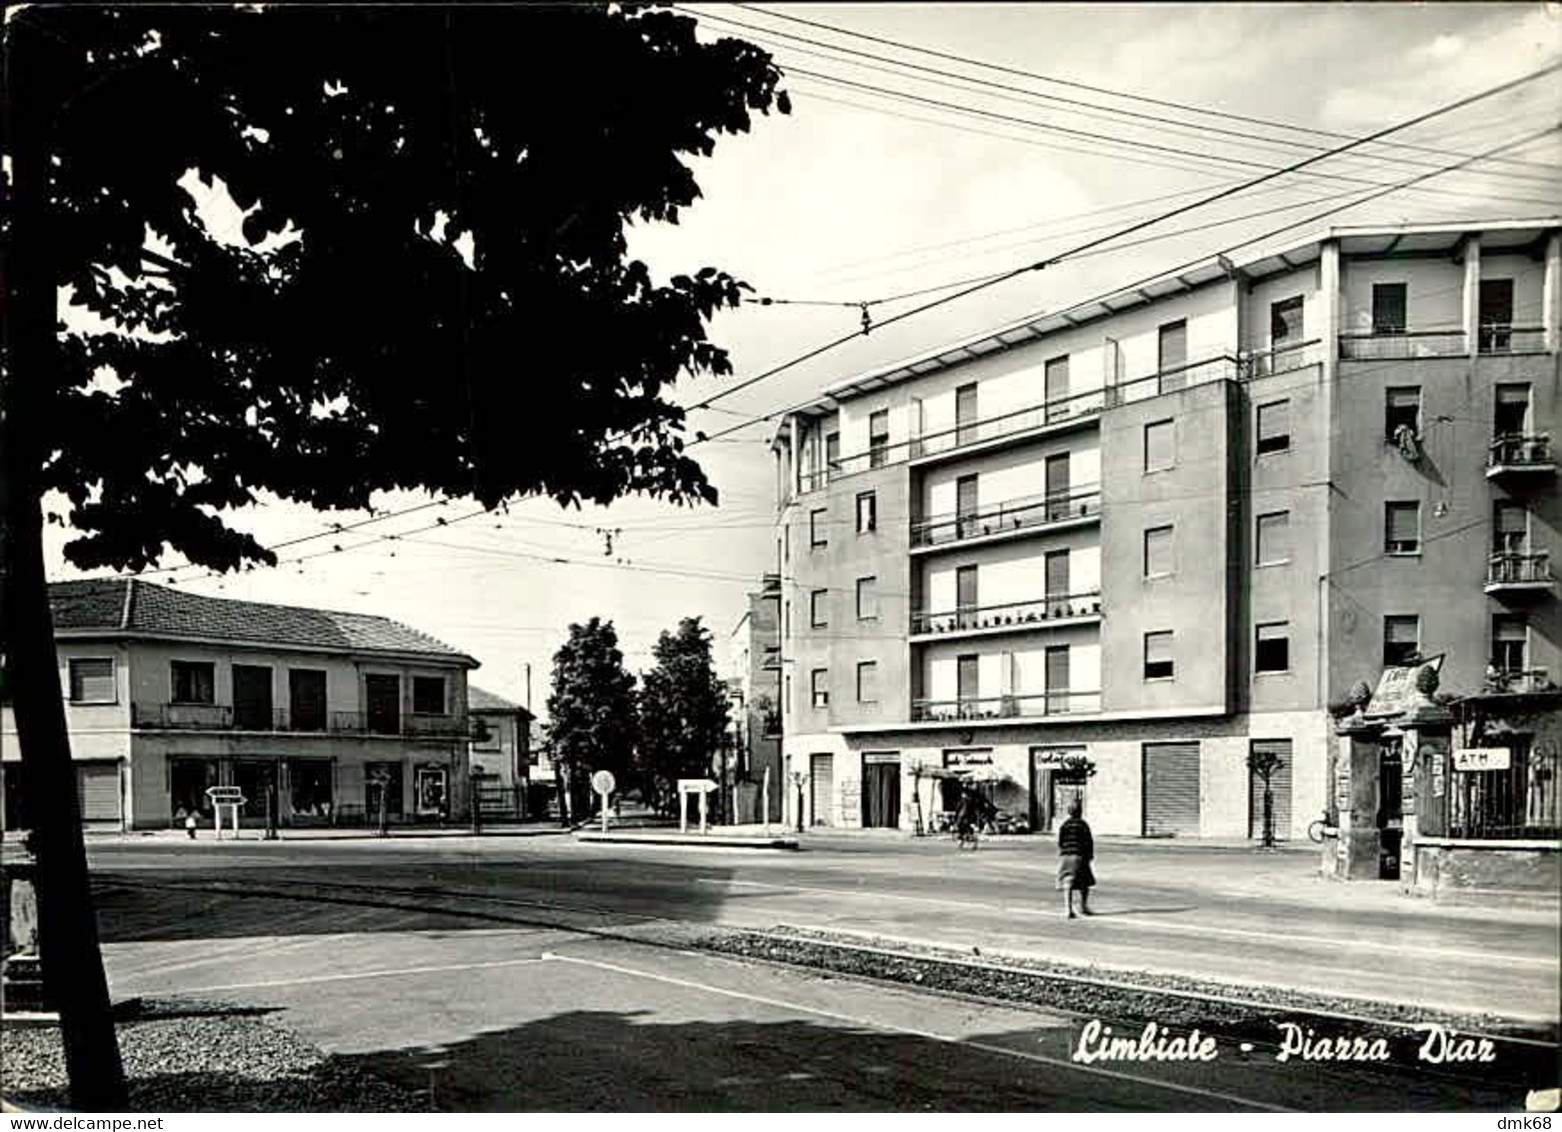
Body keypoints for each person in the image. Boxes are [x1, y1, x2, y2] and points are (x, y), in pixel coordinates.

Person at [1056, 799, 1095, 918]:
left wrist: (1063, 851)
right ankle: (1083, 906)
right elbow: (1088, 841)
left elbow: (1060, 841)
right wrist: (1089, 855)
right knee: (1085, 881)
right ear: (1080, 812)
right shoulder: (1083, 825)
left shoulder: (1064, 825)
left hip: (1066, 856)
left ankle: (1068, 909)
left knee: (1068, 881)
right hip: (1079, 856)